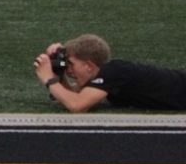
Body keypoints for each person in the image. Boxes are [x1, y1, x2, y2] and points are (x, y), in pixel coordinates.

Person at [34, 34, 186, 113]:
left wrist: (49, 78)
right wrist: (58, 74)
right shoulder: (109, 78)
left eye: (71, 64)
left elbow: (77, 105)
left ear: (89, 65)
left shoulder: (114, 70)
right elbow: (74, 100)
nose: (69, 70)